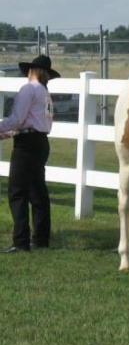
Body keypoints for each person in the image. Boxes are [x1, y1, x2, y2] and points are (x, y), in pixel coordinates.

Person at [0, 55, 60, 253]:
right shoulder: (45, 93)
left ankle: (21, 242)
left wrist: (2, 127)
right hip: (41, 142)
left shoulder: (28, 89)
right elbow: (38, 123)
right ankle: (41, 239)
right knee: (37, 192)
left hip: (26, 145)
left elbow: (18, 119)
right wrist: (8, 133)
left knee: (17, 193)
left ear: (32, 70)